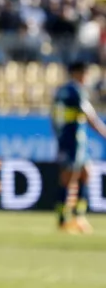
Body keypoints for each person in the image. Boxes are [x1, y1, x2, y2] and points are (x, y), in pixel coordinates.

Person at [51, 60, 106, 234]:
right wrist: (103, 132)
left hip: (71, 139)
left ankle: (78, 217)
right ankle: (64, 219)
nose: (87, 77)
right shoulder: (75, 90)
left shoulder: (63, 90)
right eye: (85, 73)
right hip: (72, 140)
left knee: (85, 173)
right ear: (77, 73)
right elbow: (89, 116)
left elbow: (54, 116)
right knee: (69, 177)